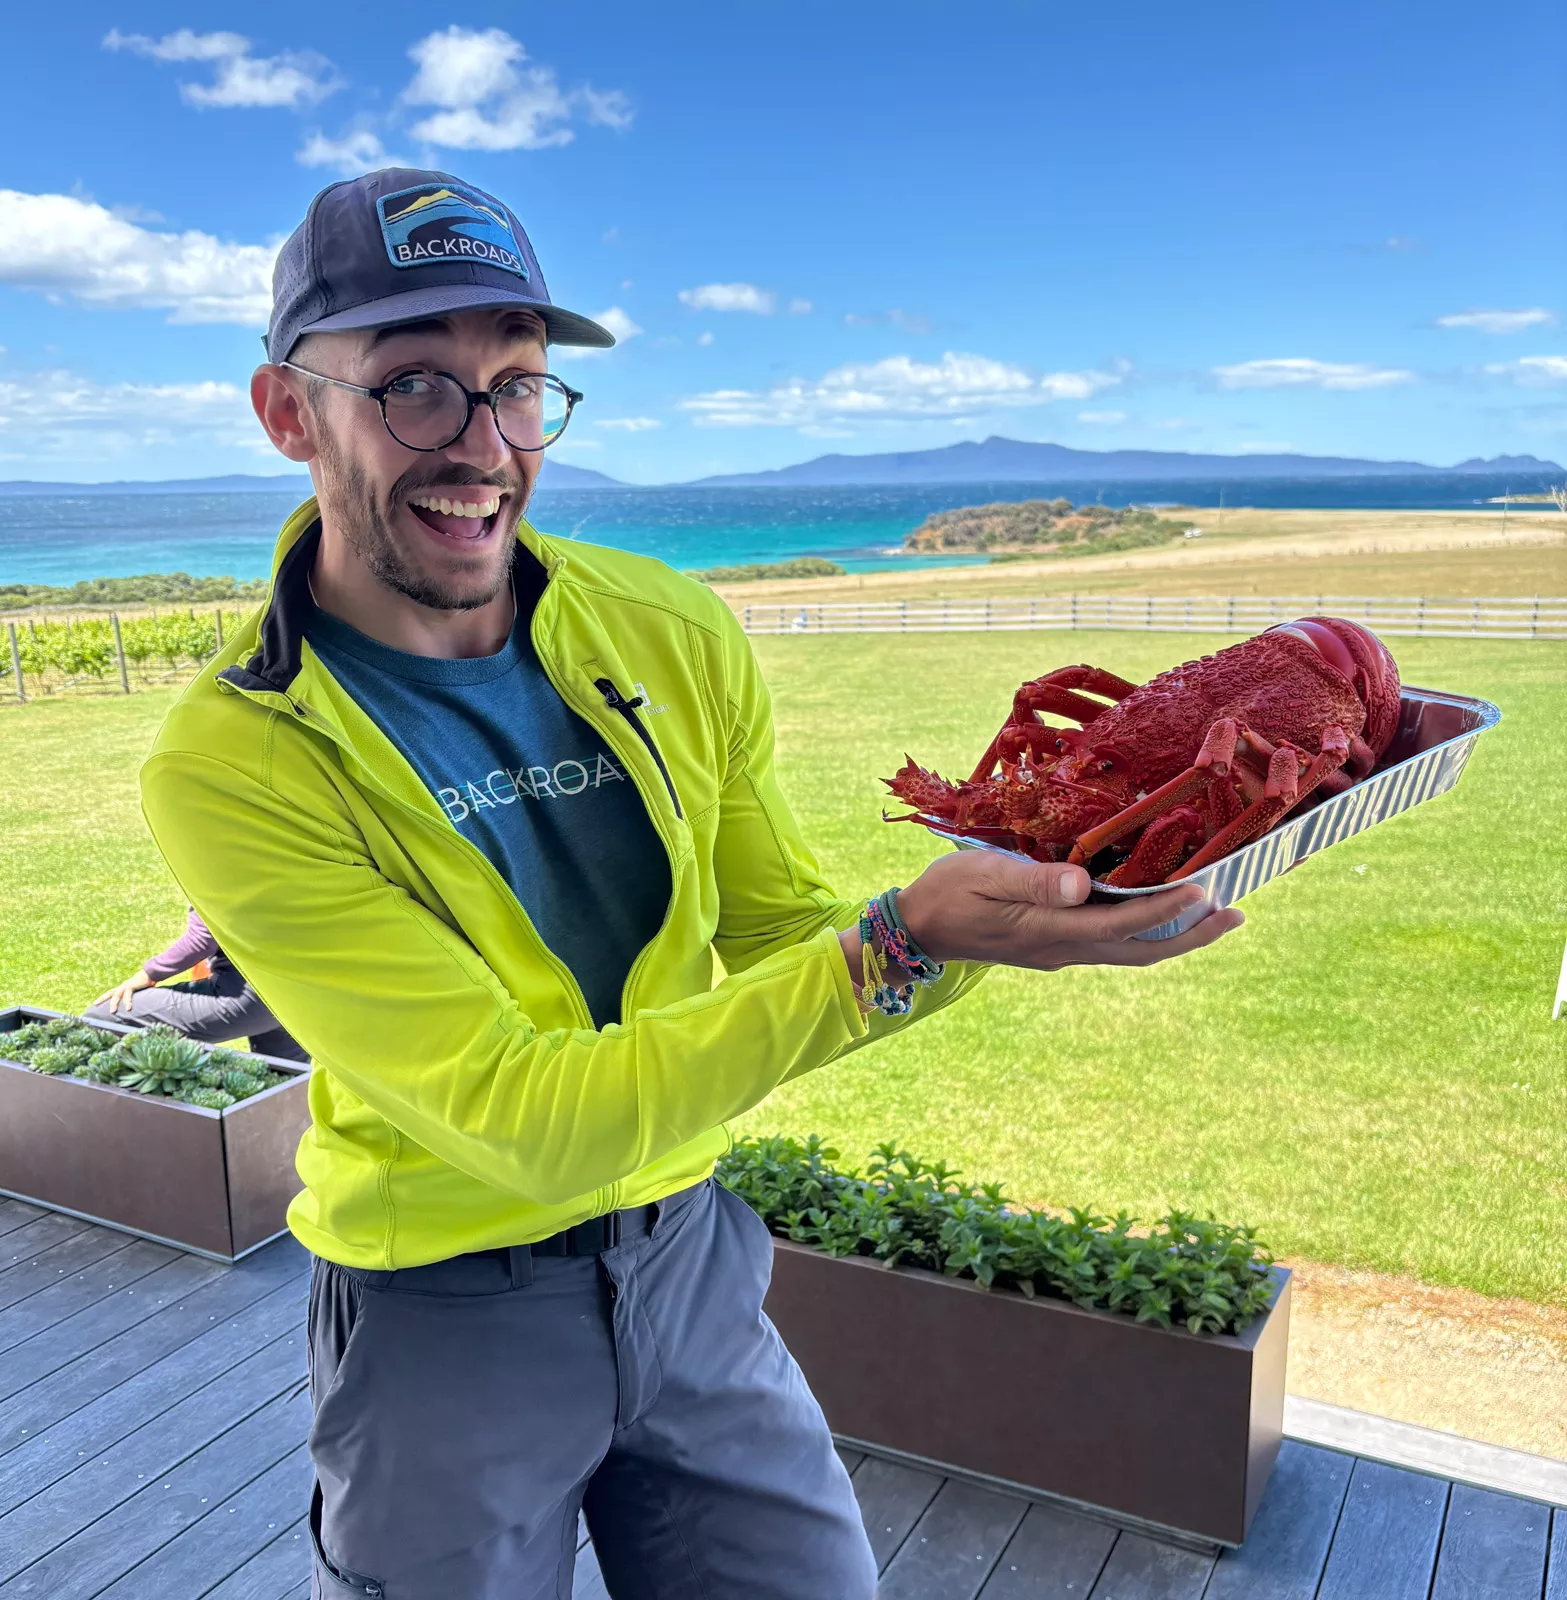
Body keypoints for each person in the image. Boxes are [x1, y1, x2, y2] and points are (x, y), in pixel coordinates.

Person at [139, 168, 1242, 1600]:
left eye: (516, 387)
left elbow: (788, 934)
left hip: (691, 1263)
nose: (482, 446)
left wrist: (1014, 909)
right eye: (412, 386)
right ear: (288, 411)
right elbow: (524, 1121)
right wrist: (893, 946)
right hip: (440, 1317)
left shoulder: (663, 626)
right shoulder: (236, 756)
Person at [86, 907, 307, 1062]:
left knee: (102, 1017)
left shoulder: (213, 860)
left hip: (250, 997)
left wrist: (148, 974)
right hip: (304, 991)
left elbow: (202, 939)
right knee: (287, 1081)